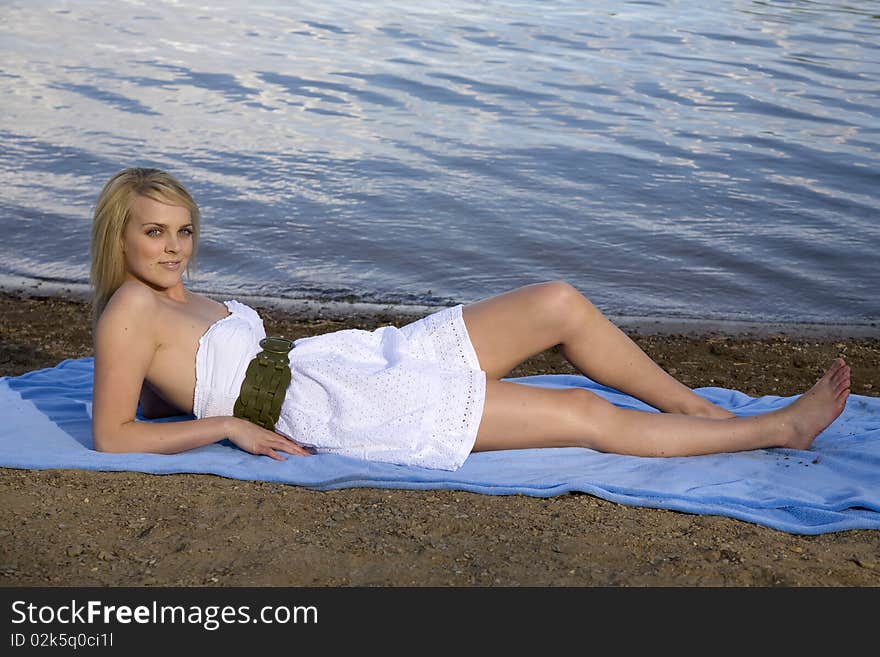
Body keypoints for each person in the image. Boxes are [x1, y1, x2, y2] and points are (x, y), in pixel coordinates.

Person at [90, 167, 852, 471]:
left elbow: (173, 382)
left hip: (346, 355)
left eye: (183, 230)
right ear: (119, 234)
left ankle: (695, 409)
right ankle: (775, 428)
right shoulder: (128, 307)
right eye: (155, 232)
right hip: (328, 402)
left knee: (557, 299)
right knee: (583, 410)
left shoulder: (171, 300)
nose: (174, 247)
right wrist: (224, 425)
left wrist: (188, 399)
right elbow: (111, 434)